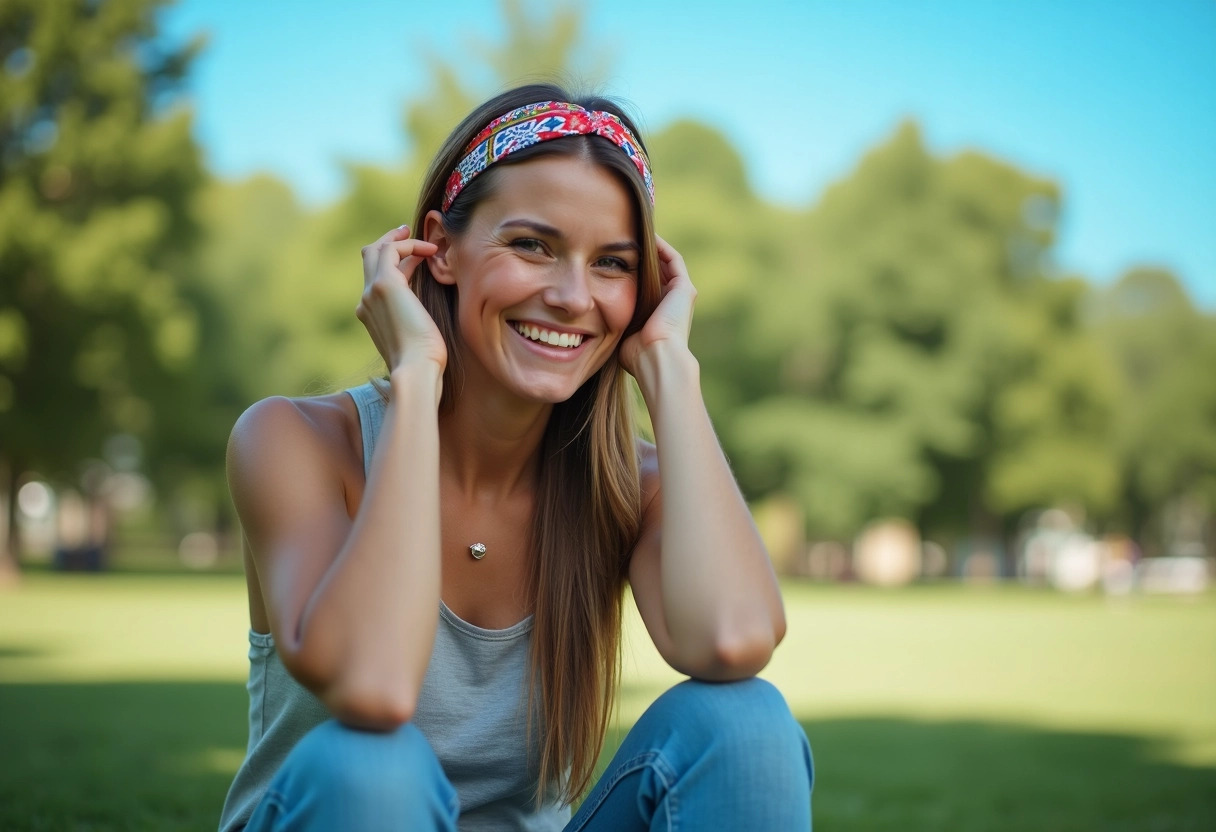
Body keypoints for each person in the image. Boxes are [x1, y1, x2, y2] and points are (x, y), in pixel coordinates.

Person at [217, 84, 814, 832]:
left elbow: (732, 640)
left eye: (612, 264)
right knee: (370, 767)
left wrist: (670, 369)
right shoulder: (293, 442)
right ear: (439, 248)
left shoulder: (632, 485)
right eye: (532, 245)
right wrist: (414, 379)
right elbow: (372, 689)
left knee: (746, 725)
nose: (571, 296)